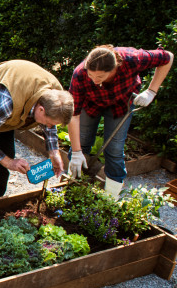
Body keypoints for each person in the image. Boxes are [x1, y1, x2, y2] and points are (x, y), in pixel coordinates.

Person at [0, 60, 74, 206]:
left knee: (5, 158)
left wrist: (54, 153)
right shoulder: (9, 101)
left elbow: (50, 123)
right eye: (48, 123)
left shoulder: (55, 95)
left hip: (4, 114)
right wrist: (10, 162)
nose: (49, 127)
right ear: (41, 109)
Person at [67, 45, 173, 198]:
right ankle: (73, 187)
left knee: (115, 150)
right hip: (89, 104)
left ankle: (111, 198)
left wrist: (152, 91)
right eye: (91, 75)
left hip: (120, 104)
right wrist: (76, 152)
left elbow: (167, 57)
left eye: (100, 77)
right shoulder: (80, 74)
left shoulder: (132, 59)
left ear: (114, 69)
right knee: (81, 142)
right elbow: (73, 115)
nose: (94, 80)